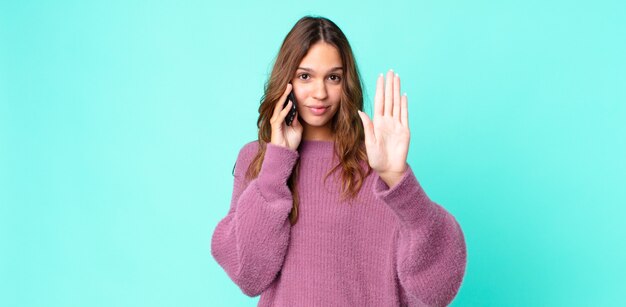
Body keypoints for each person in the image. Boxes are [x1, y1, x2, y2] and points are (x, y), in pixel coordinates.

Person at [211, 15, 467, 307]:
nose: (320, 93)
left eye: (333, 77)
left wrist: (397, 179)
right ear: (287, 79)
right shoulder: (258, 159)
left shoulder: (376, 160)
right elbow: (248, 275)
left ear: (346, 82)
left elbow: (438, 289)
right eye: (305, 76)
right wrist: (277, 162)